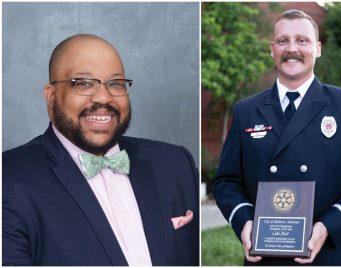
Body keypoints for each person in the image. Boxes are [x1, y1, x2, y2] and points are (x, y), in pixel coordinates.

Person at [212, 9, 341, 265]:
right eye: (283, 41)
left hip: (331, 254)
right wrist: (245, 222)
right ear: (271, 49)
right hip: (266, 256)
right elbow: (226, 182)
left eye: (302, 40)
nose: (292, 48)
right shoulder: (245, 111)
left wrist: (329, 225)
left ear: (318, 48)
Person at [2, 34, 199, 266]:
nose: (104, 97)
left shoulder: (175, 163)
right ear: (51, 96)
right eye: (84, 83)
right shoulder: (9, 178)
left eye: (115, 84)